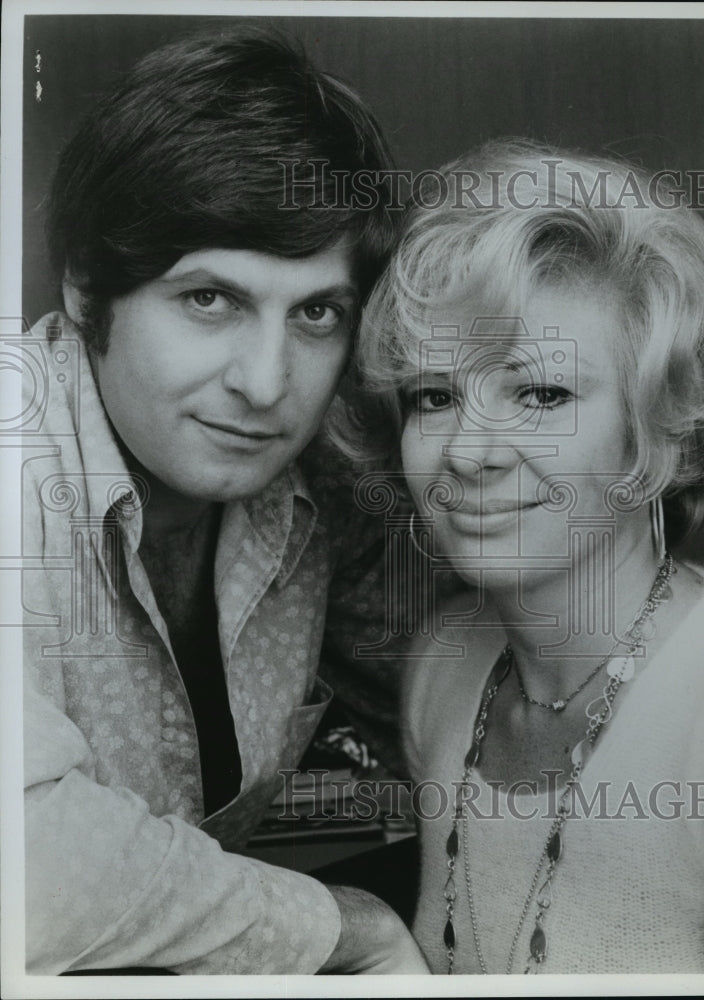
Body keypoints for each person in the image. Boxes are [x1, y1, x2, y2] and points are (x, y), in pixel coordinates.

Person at [22, 28, 428, 975]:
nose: (265, 381)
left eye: (316, 313)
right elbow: (21, 860)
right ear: (88, 290)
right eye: (211, 299)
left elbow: (435, 709)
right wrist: (340, 924)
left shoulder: (326, 484)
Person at [345, 139, 704, 974]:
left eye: (540, 393)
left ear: (655, 430)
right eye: (434, 397)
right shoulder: (443, 664)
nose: (470, 450)